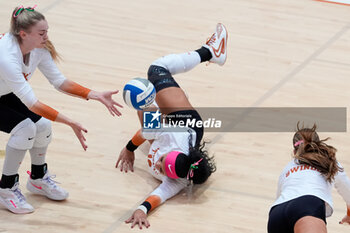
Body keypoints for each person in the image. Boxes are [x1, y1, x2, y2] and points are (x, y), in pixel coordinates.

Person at [0, 5, 122, 214]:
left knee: (44, 125)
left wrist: (94, 94)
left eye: (47, 31)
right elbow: (33, 104)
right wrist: (70, 122)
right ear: (23, 34)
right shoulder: (7, 57)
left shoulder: (38, 48)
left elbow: (59, 81)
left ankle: (37, 180)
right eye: (42, 33)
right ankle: (6, 190)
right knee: (26, 128)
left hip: (4, 93)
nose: (47, 36)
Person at [116, 23, 227, 229]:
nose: (156, 163)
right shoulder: (171, 138)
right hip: (186, 122)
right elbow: (145, 132)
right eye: (162, 161)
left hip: (167, 133)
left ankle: (169, 98)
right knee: (156, 70)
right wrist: (129, 149)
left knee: (143, 104)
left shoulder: (177, 181)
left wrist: (141, 210)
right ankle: (211, 51)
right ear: (172, 153)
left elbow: (157, 196)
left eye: (159, 168)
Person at [268, 124, 350, 233]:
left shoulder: (286, 169)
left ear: (294, 152)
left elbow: (280, 196)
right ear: (317, 145)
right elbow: (347, 189)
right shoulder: (327, 161)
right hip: (306, 206)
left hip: (276, 214)